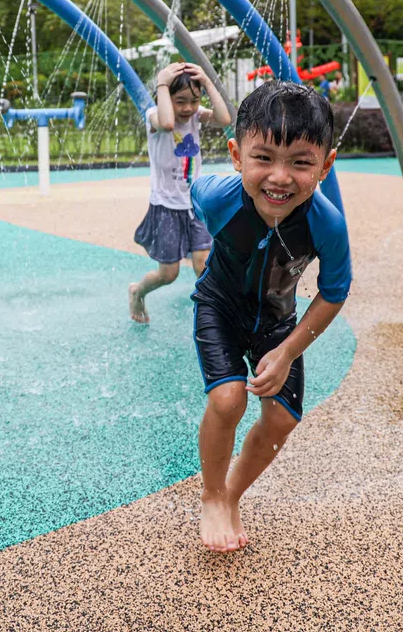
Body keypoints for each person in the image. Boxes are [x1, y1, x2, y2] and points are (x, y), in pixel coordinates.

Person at [188, 81, 351, 553]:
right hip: (218, 304)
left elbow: (334, 292)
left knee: (281, 420)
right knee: (227, 400)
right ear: (237, 156)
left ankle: (234, 494)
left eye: (301, 162)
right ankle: (213, 494)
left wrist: (286, 352)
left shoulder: (326, 224)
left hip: (278, 321)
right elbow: (193, 198)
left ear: (326, 164)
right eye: (263, 159)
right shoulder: (217, 196)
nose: (279, 178)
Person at [128, 62, 232, 324]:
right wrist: (162, 82)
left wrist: (208, 83)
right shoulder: (154, 115)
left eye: (194, 101)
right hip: (166, 206)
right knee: (169, 273)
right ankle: (137, 292)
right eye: (180, 101)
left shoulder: (196, 116)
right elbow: (166, 122)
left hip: (194, 203)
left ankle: (216, 312)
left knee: (202, 262)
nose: (188, 108)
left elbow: (224, 119)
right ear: (166, 97)